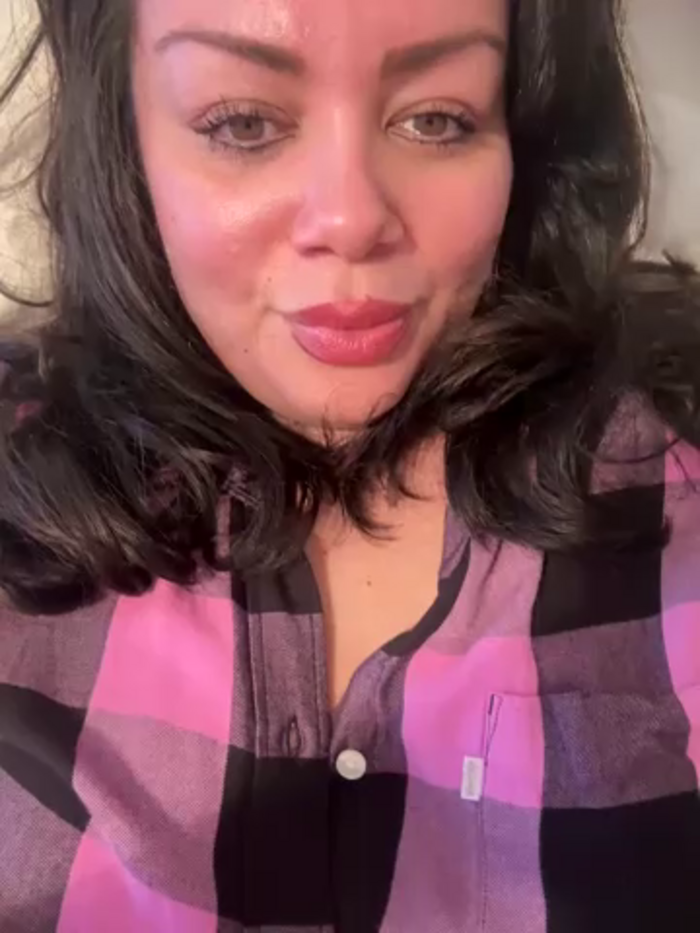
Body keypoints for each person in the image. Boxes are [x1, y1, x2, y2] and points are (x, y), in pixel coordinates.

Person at [1, 0, 700, 930]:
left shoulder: (669, 487)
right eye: (242, 123)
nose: (352, 219)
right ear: (125, 139)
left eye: (437, 118)